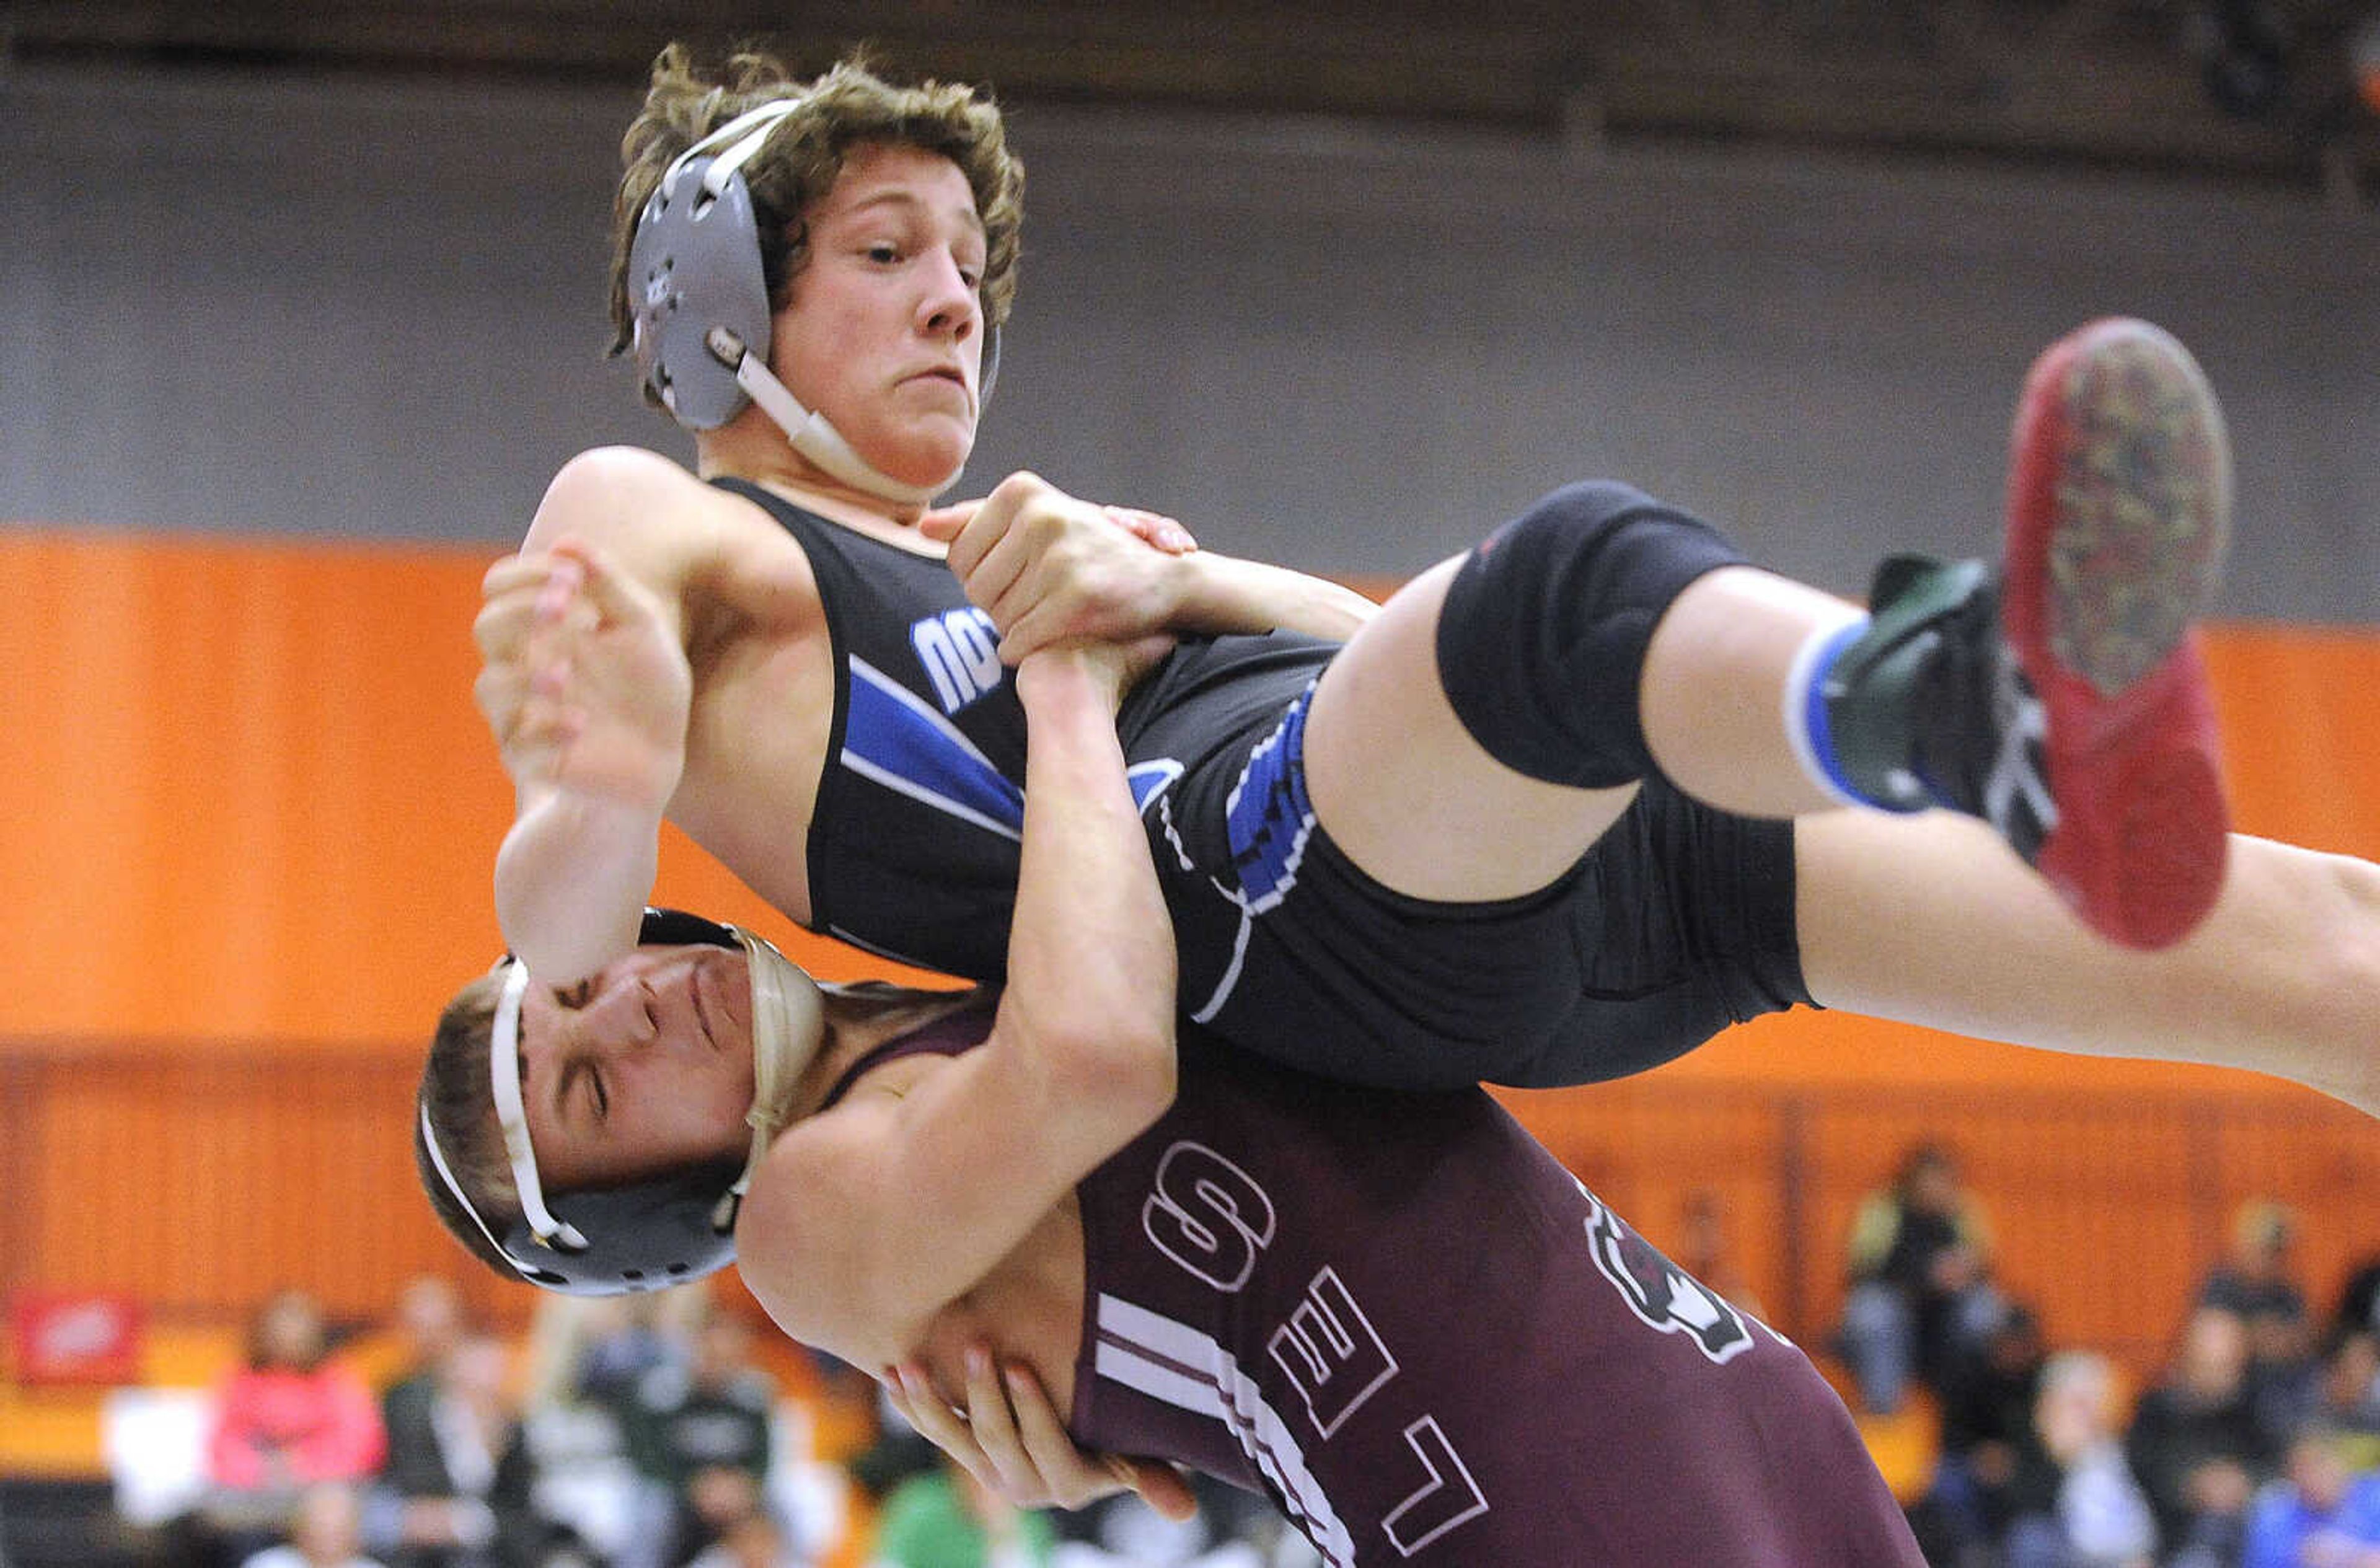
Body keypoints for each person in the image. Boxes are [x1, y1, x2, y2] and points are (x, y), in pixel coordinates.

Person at [474, 45, 2380, 1138]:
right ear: (724, 317)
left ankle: (1959, 718)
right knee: (1567, 582)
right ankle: (1964, 716)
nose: (956, 299)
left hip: (1486, 851)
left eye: (968, 258)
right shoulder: (655, 515)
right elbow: (562, 936)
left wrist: (1186, 578)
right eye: (887, 251)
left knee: (2322, 948)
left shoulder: (1010, 540)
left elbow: (1365, 650)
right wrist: (597, 786)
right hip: (1267, 899)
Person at [419, 638, 1933, 1564]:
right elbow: (1101, 1057)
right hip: (1518, 1506)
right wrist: (1069, 686)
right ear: (656, 1208)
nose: (629, 1007)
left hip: (1708, 1380)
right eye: (601, 1090)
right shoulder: (809, 1223)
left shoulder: (937, 981)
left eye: (577, 988)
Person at [1835, 1139, 2006, 1415]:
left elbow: (1985, 1265)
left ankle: (1969, 1409)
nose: (1934, 1189)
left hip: (1947, 1320)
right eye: (1927, 1181)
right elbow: (1862, 1268)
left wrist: (1960, 1273)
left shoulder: (1963, 1211)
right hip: (1897, 1314)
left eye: (1942, 1181)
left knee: (1984, 1312)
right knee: (1870, 1311)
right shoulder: (1882, 1209)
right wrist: (1923, 1276)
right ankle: (1884, 1413)